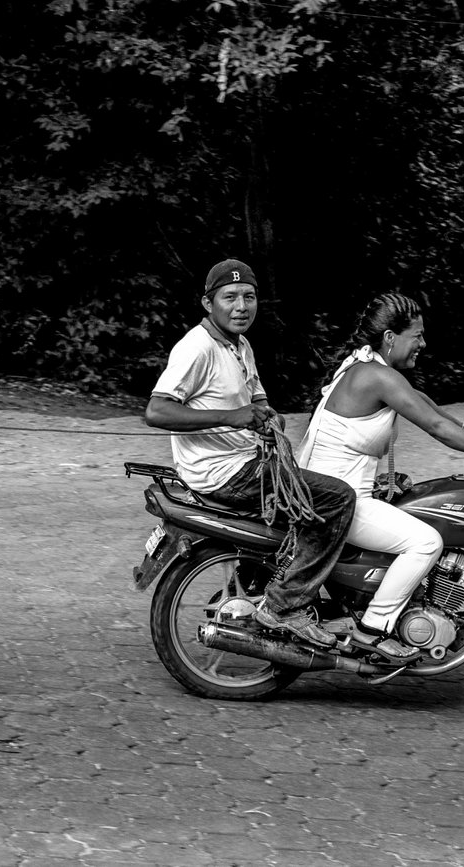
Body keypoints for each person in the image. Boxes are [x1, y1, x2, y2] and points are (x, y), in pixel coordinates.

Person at [299, 293, 464, 660]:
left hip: (331, 493)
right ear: (390, 337)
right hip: (339, 502)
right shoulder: (376, 376)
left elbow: (422, 402)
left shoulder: (365, 366)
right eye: (417, 335)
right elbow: (435, 425)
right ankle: (374, 628)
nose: (423, 343)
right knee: (426, 541)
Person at [144, 260, 357, 648]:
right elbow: (157, 411)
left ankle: (259, 586)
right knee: (339, 498)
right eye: (230, 297)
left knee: (312, 485)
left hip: (248, 461)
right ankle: (286, 606)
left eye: (249, 297)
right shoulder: (197, 348)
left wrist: (263, 412)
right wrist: (235, 416)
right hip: (225, 472)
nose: (242, 306)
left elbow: (253, 394)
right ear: (208, 303)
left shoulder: (238, 344)